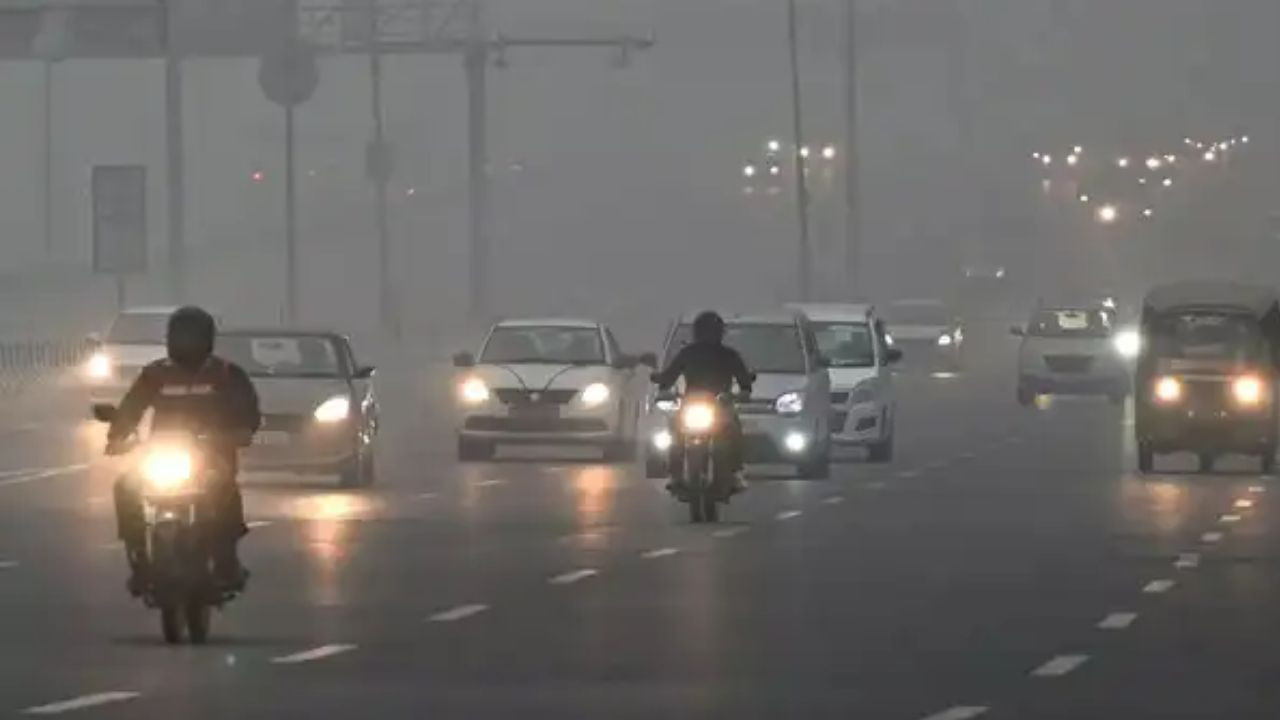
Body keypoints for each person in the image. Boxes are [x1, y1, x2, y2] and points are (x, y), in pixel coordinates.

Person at [108, 306, 261, 595]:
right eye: (180, 335)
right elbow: (132, 406)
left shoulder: (226, 374)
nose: (186, 342)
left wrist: (240, 431)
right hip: (161, 454)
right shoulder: (155, 373)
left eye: (193, 336)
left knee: (224, 489)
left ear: (208, 339)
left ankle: (226, 560)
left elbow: (247, 410)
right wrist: (118, 434)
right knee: (125, 486)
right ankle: (138, 556)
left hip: (212, 456)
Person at [651, 310, 754, 495]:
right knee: (676, 432)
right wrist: (661, 383)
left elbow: (744, 379)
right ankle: (675, 474)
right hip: (692, 404)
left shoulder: (728, 355)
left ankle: (735, 471)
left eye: (712, 330)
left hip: (721, 404)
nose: (709, 335)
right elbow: (669, 376)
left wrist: (744, 391)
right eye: (706, 330)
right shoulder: (688, 354)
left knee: (734, 430)